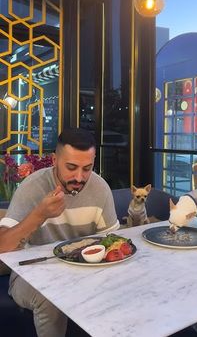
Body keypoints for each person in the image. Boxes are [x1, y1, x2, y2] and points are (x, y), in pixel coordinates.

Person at [0, 127, 119, 337]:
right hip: (30, 273)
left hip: (83, 272)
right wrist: (39, 215)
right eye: (71, 167)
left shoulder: (100, 189)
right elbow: (3, 247)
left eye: (87, 168)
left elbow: (112, 242)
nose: (79, 177)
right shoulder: (32, 187)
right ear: (54, 160)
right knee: (52, 297)